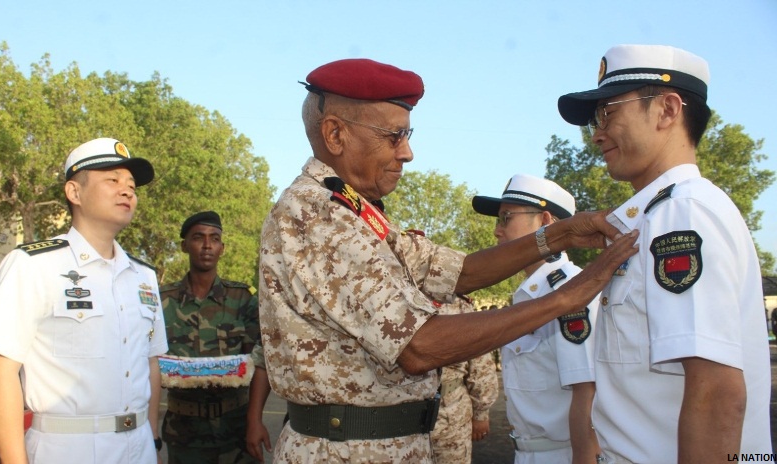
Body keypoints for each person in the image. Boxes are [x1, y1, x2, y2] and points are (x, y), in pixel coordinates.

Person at [258, 58, 638, 463]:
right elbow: (420, 345)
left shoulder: (355, 211)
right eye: (394, 136)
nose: (407, 153)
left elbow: (462, 272)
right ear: (335, 134)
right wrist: (566, 298)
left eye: (408, 135)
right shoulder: (318, 215)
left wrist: (562, 233)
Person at [558, 44, 772, 462]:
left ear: (667, 110)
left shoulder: (681, 212)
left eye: (608, 113)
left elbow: (715, 392)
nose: (597, 134)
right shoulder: (658, 215)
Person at [0, 137, 166, 463]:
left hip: (138, 447)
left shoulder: (144, 277)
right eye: (112, 180)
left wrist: (151, 436)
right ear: (74, 192)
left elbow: (150, 363)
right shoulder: (34, 264)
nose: (127, 191)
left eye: (132, 185)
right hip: (68, 446)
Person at [472, 174, 600, 463]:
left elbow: (587, 393)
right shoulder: (532, 293)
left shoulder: (570, 293)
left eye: (506, 218)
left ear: (545, 221)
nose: (496, 231)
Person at [159, 211, 272, 463]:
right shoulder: (162, 301)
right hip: (183, 434)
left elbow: (263, 358)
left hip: (237, 431)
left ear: (222, 248)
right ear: (184, 246)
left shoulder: (242, 299)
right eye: (198, 237)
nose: (207, 245)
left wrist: (255, 421)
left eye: (215, 238)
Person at [429, 295, 498, 464]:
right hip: (398, 415)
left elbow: (479, 363)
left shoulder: (457, 304)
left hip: (450, 412)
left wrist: (481, 412)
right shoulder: (390, 293)